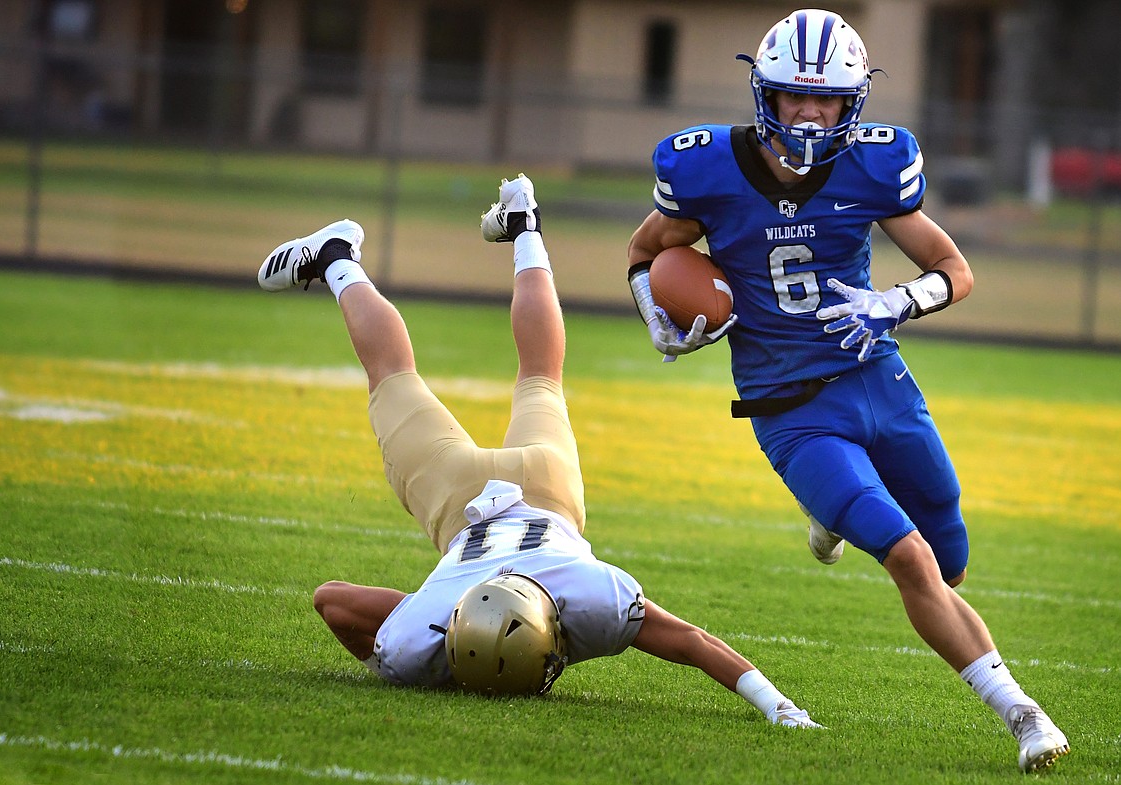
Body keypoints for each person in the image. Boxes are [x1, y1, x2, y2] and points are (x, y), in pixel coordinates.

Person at [624, 8, 1069, 773]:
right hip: (792, 408)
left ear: (851, 104)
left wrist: (894, 301)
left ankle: (827, 518)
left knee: (951, 558)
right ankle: (1022, 712)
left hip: (879, 377)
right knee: (911, 559)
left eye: (825, 98)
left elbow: (955, 271)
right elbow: (644, 252)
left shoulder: (875, 164)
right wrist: (654, 313)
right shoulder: (704, 168)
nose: (807, 112)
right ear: (764, 93)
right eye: (794, 95)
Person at [257, 174, 821, 726]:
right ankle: (372, 251)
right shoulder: (434, 629)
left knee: (509, 374)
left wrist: (777, 705)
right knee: (460, 376)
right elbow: (332, 600)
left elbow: (692, 643)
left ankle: (481, 231)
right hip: (481, 501)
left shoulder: (576, 601)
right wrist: (423, 613)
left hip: (530, 496)